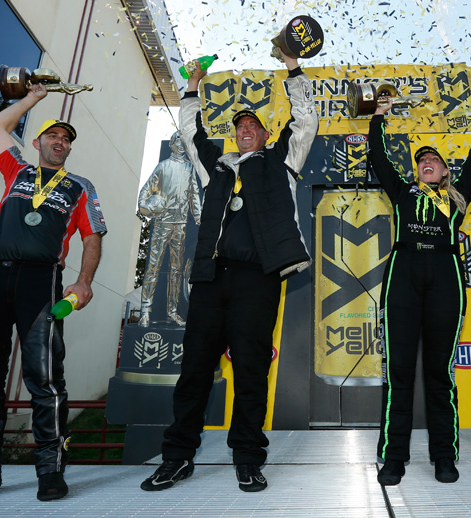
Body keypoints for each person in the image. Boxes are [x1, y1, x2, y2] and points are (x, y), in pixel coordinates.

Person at [140, 49, 316, 493]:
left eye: (253, 127)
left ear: (266, 134)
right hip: (211, 280)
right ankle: (177, 457)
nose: (245, 132)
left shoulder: (283, 163)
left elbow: (307, 119)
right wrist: (193, 87)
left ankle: (248, 459)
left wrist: (294, 68)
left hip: (258, 279)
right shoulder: (215, 169)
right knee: (195, 370)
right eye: (239, 128)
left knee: (251, 370)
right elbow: (189, 129)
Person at [0, 83, 107, 503]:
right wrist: (32, 100)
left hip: (41, 281)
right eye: (53, 135)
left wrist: (83, 282)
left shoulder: (80, 186)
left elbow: (93, 237)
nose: (60, 142)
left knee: (45, 380)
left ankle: (50, 471)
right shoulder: (17, 170)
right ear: (37, 142)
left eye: (66, 139)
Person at [368, 87, 471, 486]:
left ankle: (445, 456)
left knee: (440, 374)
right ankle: (394, 458)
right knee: (400, 374)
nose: (426, 161)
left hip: (445, 276)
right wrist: (377, 117)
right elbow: (378, 156)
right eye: (421, 160)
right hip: (402, 275)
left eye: (434, 160)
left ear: (445, 173)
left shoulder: (457, 199)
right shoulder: (402, 192)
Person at [137, 131, 202, 327]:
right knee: (153, 268)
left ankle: (172, 311)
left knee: (176, 270)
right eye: (177, 141)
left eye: (183, 142)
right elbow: (145, 191)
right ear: (172, 144)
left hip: (180, 226)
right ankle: (145, 312)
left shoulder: (190, 168)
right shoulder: (162, 166)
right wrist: (145, 207)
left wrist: (200, 219)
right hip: (162, 224)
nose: (180, 145)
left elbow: (194, 194)